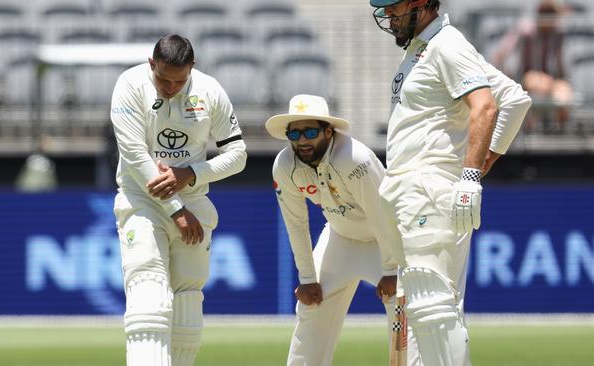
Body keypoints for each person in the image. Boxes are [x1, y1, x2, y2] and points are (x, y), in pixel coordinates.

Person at [370, 1, 531, 365]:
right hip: (406, 189)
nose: (389, 16)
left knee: (433, 306)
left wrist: (473, 173)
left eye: (395, 8)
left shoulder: (448, 43)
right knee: (419, 305)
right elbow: (515, 98)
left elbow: (489, 106)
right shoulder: (423, 48)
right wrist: (484, 160)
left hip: (428, 187)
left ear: (422, 4)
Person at [110, 34, 247, 366]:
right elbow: (135, 157)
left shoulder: (209, 91)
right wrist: (176, 210)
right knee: (148, 296)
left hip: (194, 201)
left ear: (192, 69)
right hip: (141, 200)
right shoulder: (129, 85)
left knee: (187, 302)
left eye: (179, 80)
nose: (170, 87)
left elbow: (238, 155)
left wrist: (190, 173)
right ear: (151, 64)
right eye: (163, 78)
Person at [266, 94, 405, 366]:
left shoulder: (355, 159)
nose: (302, 140)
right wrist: (307, 278)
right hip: (340, 238)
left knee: (401, 311)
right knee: (310, 307)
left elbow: (383, 215)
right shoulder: (285, 166)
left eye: (310, 131)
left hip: (385, 241)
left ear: (328, 132)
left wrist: (391, 270)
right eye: (294, 133)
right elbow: (295, 223)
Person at [493, 0, 573, 131]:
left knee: (564, 94)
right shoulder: (525, 30)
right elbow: (502, 52)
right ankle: (532, 129)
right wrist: (506, 78)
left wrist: (561, 81)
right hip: (526, 77)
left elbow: (559, 65)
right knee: (538, 83)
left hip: (548, 79)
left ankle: (560, 133)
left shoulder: (558, 33)